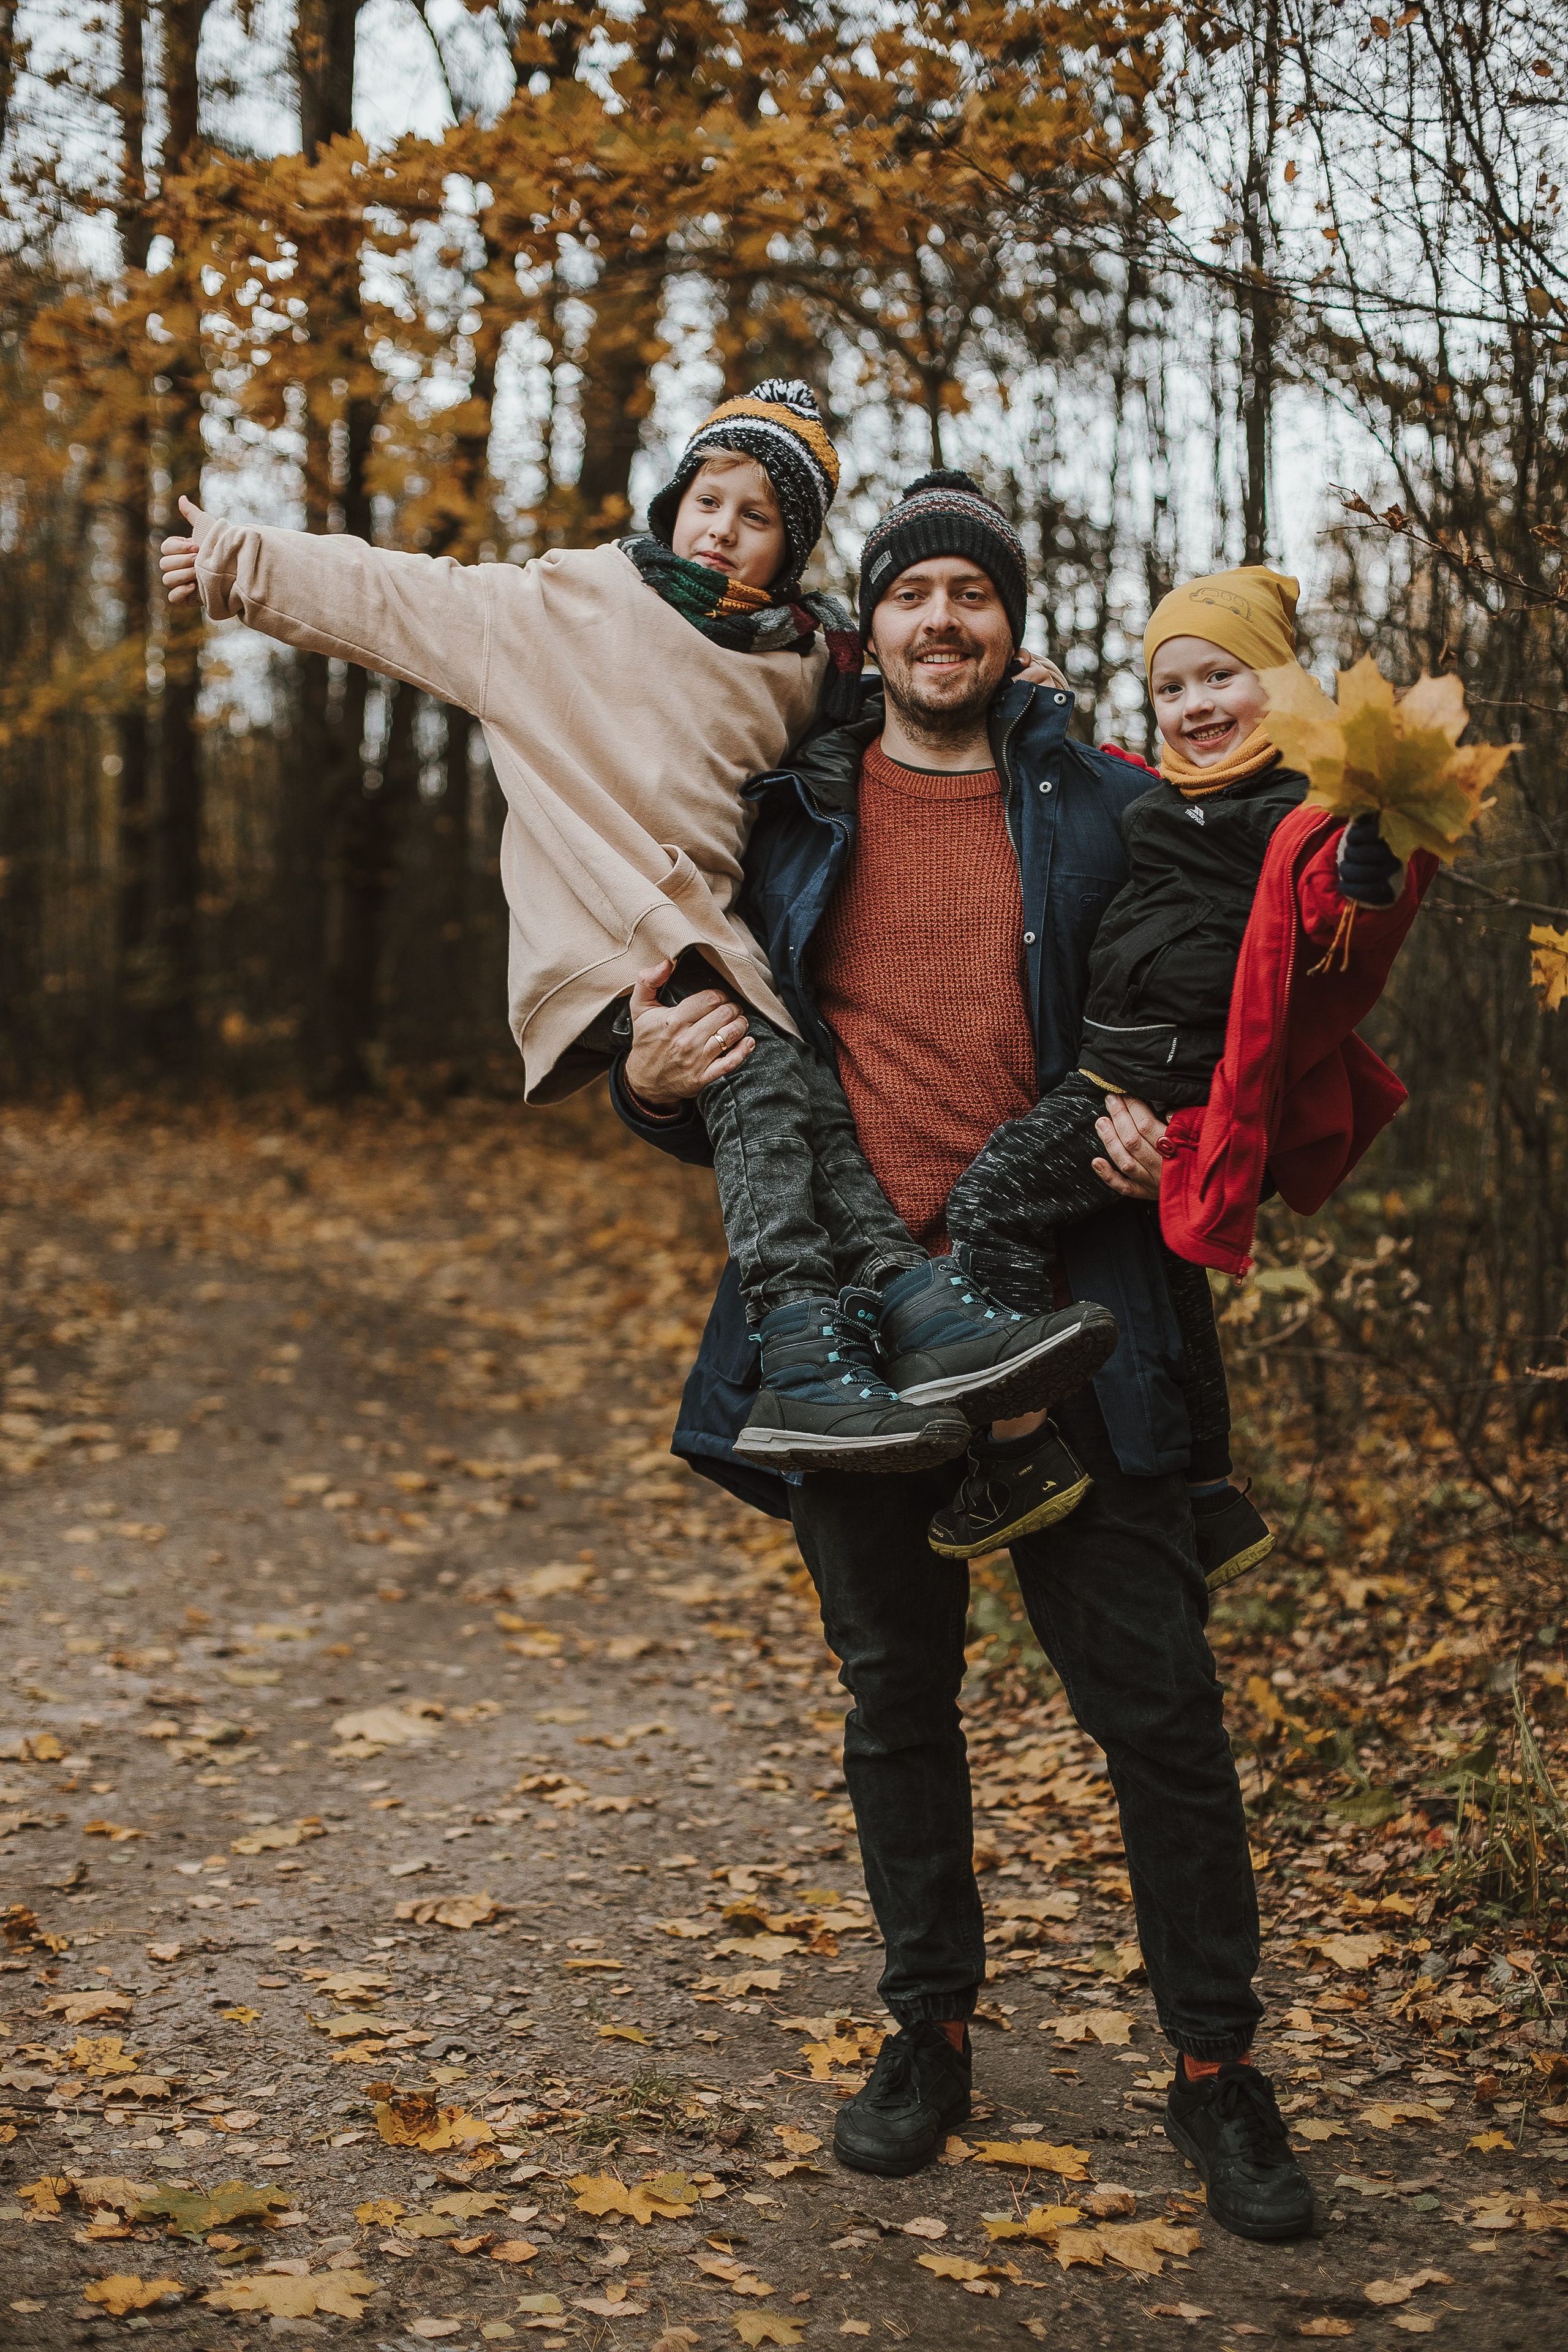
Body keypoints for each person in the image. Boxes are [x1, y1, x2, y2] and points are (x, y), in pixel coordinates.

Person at [612, 473, 1317, 2242]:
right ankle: (925, 2029)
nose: (943, 621)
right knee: (893, 1704)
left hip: (1073, 1315)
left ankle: (1221, 2069)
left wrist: (1176, 1125)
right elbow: (698, 1056)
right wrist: (648, 1088)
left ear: (1012, 624)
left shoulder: (1107, 801)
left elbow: (1226, 989)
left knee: (1159, 1713)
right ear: (881, 622)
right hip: (844, 1338)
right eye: (912, 593)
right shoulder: (783, 814)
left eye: (973, 596)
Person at [159, 390, 1112, 1472]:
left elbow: (911, 676)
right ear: (674, 502)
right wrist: (238, 563)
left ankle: (912, 1307)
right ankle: (801, 1358)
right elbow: (394, 596)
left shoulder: (801, 660)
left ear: (788, 553)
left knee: (805, 1105)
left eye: (758, 518)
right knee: (759, 1083)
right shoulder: (563, 607)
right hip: (610, 932)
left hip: (713, 937)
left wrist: (1018, 695)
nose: (723, 528)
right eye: (709, 499)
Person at [930, 567, 1423, 1585]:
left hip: (1160, 1085)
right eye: (1172, 687)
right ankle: (1212, 1496)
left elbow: (1342, 914)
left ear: (1282, 685)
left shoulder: (1304, 811)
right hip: (1127, 1069)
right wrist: (1049, 707)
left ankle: (1018, 1447)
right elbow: (1093, 775)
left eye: (1223, 679)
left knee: (988, 1204)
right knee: (1167, 1272)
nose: (1197, 706)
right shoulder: (1169, 801)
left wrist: (1372, 871)